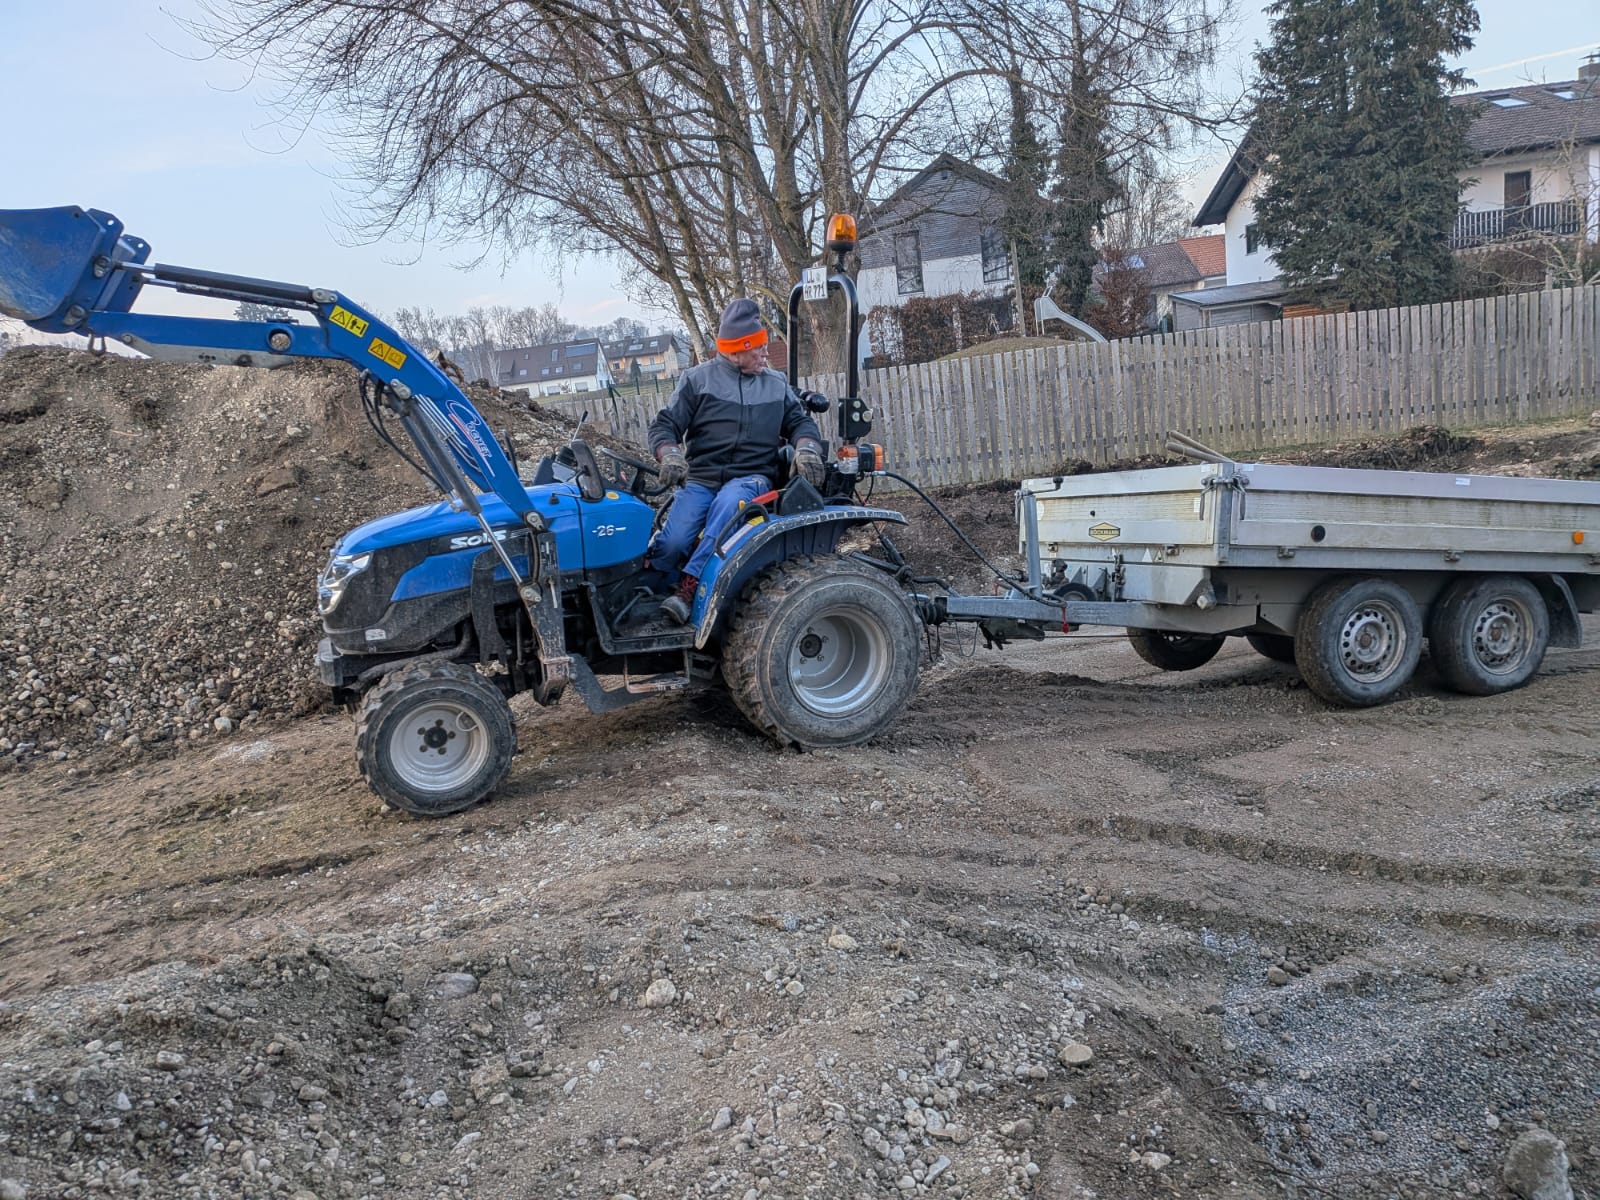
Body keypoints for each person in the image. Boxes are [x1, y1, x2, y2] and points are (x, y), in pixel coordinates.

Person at [646, 298, 826, 624]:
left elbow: (801, 423)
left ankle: (690, 588)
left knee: (729, 503)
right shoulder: (697, 381)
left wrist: (807, 449)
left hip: (751, 477)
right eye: (758, 347)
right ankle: (650, 593)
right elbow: (664, 426)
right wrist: (669, 453)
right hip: (701, 477)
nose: (765, 353)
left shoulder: (775, 384)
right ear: (736, 350)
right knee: (673, 542)